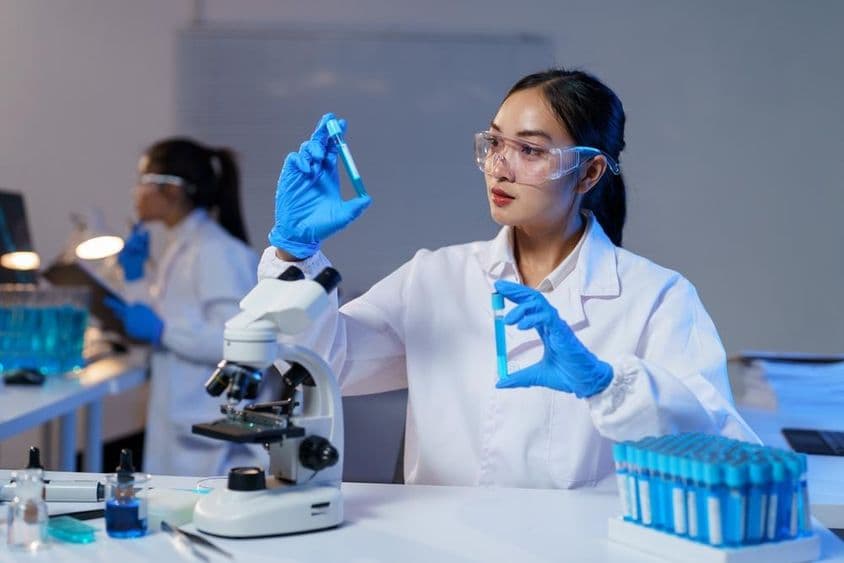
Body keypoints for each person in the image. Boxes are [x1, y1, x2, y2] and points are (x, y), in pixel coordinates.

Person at [261, 68, 756, 489]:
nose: (500, 166)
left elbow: (722, 450)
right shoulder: (435, 278)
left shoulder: (657, 297)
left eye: (531, 151)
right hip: (437, 548)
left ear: (589, 173)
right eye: (495, 142)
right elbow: (323, 367)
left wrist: (607, 385)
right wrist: (293, 252)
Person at [107, 138, 260, 477]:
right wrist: (134, 278)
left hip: (209, 435)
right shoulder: (184, 246)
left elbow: (241, 345)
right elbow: (175, 316)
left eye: (143, 180)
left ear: (173, 190)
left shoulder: (216, 252)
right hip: (185, 421)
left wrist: (165, 331)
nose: (136, 192)